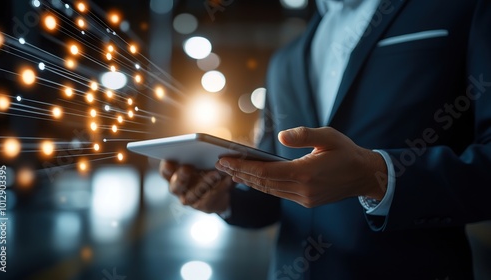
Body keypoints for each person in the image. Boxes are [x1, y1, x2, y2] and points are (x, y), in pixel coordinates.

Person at [159, 0, 491, 278]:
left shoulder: (463, 8)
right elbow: (273, 199)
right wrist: (223, 199)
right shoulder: (285, 61)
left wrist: (377, 175)